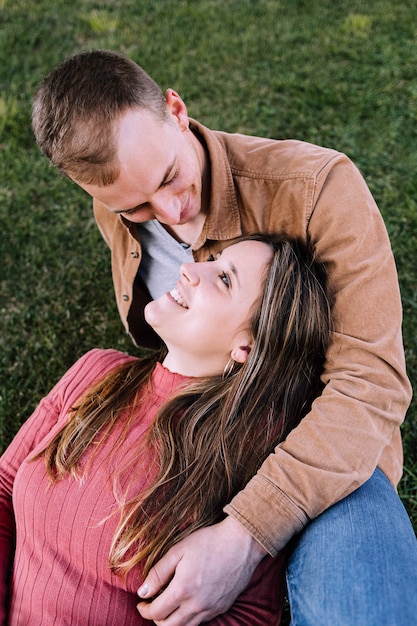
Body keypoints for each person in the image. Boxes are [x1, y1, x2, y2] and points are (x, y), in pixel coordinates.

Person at [31, 50, 417, 625]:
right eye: (135, 207)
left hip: (324, 455)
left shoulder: (317, 187)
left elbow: (371, 387)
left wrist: (246, 533)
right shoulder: (115, 201)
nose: (169, 210)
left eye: (168, 177)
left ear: (177, 110)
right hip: (202, 436)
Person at [1, 234, 331, 625]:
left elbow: (250, 616)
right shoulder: (97, 371)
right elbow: (4, 488)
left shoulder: (252, 455)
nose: (189, 268)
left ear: (249, 346)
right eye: (213, 260)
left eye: (225, 279)